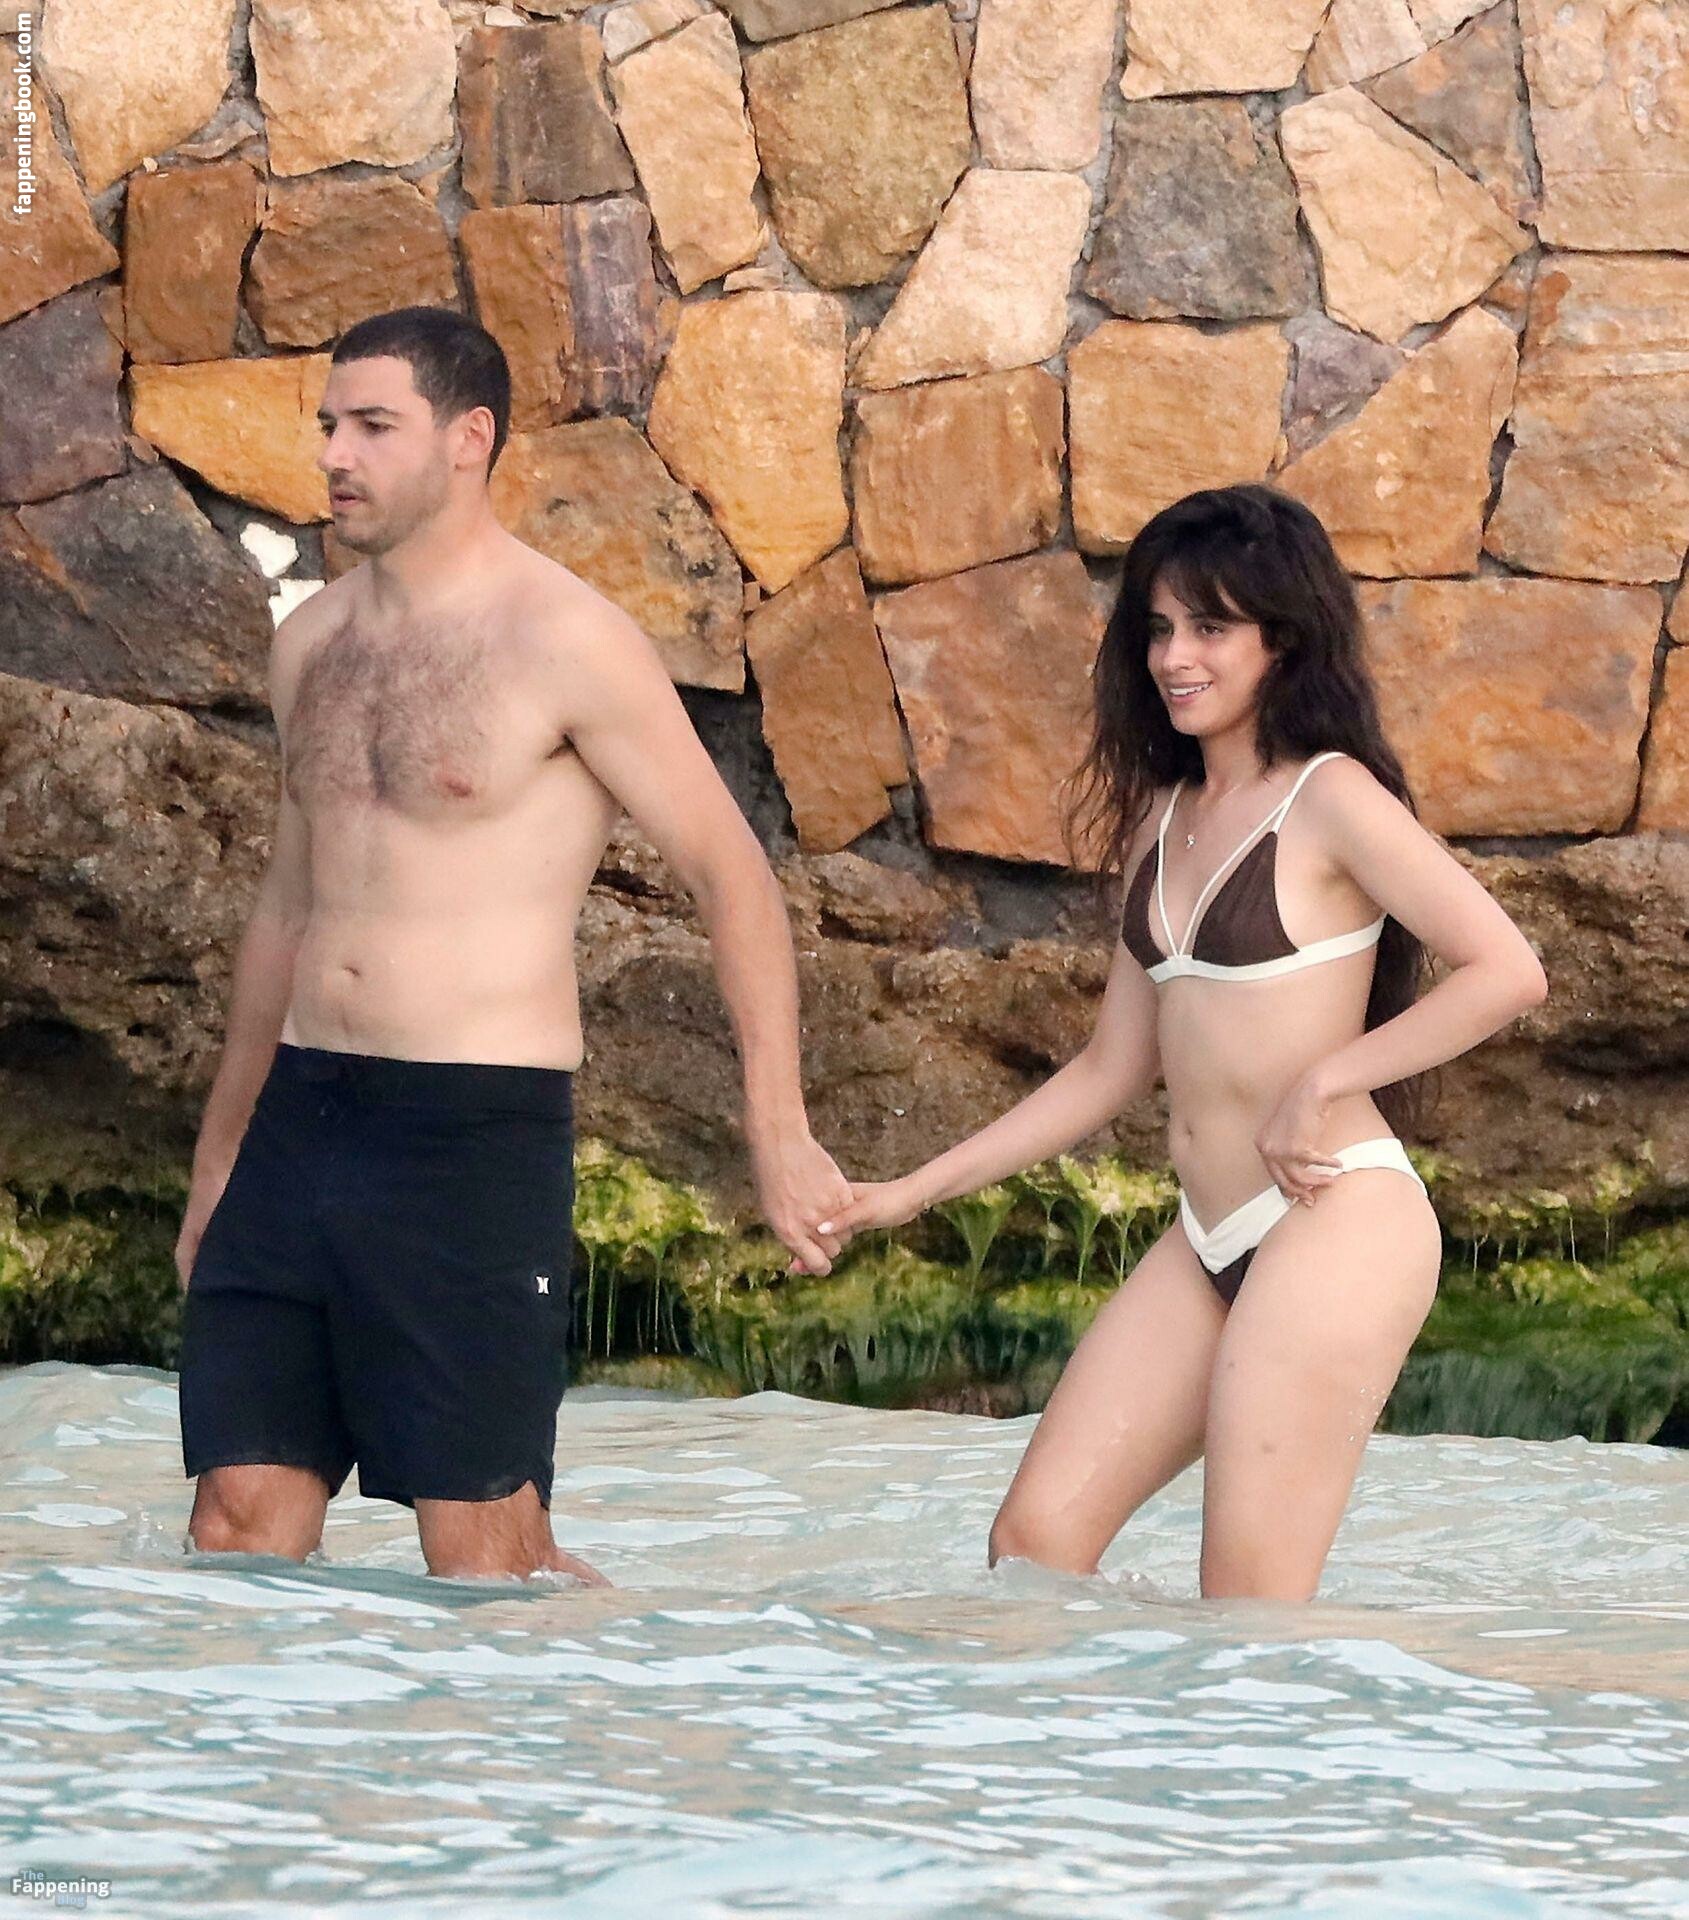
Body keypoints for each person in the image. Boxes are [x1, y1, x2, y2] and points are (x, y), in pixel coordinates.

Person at [175, 307, 851, 1584]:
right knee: (236, 1526)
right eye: (330, 425)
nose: (336, 456)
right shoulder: (309, 645)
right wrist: (220, 1162)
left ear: (468, 438)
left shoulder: (566, 640)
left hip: (470, 1136)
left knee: (485, 1558)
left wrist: (776, 1129)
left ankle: (639, 1688)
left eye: (375, 427)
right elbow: (285, 910)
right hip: (301, 1125)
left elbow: (732, 875)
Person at [821, 485, 1547, 1602]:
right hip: (1208, 1235)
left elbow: (1507, 970)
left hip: (1336, 1218)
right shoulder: (1160, 819)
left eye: (1210, 627)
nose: (1174, 657)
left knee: (1248, 1606)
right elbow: (1109, 1069)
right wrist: (909, 1193)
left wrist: (1326, 1080)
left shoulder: (1331, 797)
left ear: (1281, 641)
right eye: (1159, 629)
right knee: (1033, 1549)